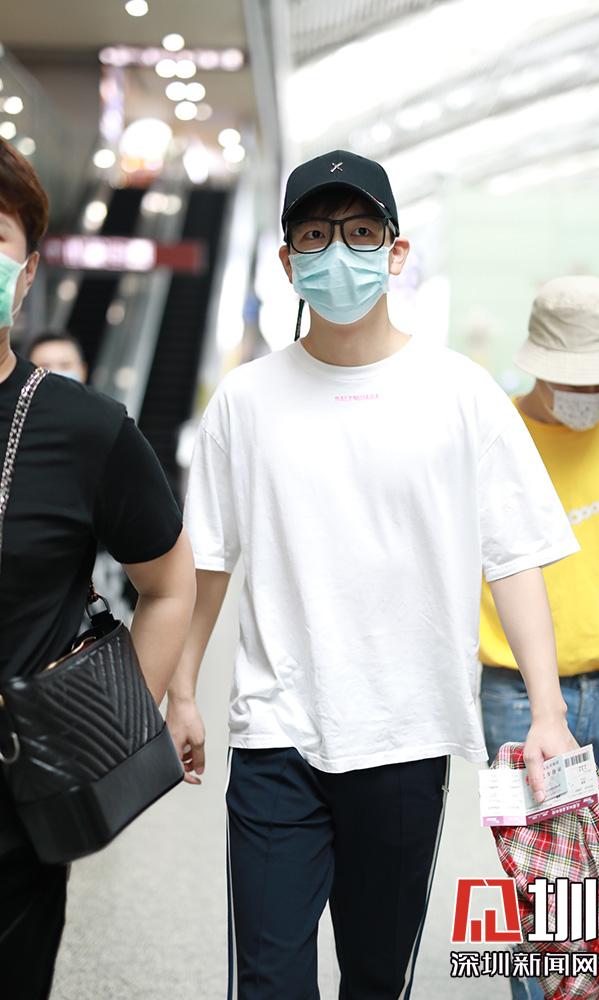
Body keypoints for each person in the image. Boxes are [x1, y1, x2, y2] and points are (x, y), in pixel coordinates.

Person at [167, 149, 580, 1000]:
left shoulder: (461, 394)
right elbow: (206, 561)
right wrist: (180, 691)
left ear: (395, 252)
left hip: (406, 732)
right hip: (275, 732)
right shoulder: (245, 400)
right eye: (314, 236)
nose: (336, 253)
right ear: (287, 262)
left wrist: (548, 713)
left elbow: (512, 558)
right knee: (270, 983)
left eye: (359, 233)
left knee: (375, 977)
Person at [0, 138, 196, 998]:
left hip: (13, 813)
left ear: (27, 273)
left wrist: (107, 744)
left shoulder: (85, 429)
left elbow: (170, 585)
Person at [479, 275, 599, 998]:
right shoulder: (495, 435)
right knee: (538, 873)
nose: (588, 393)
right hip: (514, 694)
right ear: (537, 362)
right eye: (572, 379)